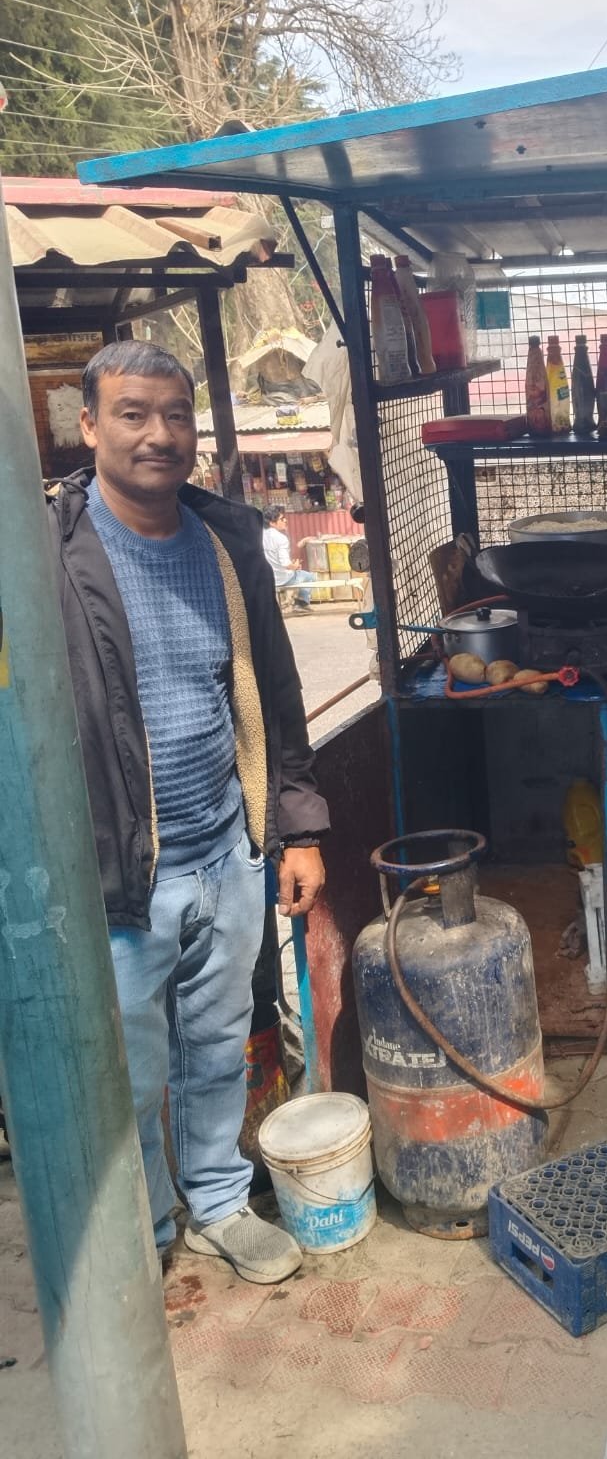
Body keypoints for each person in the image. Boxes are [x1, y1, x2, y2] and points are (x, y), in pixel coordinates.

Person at [48, 341, 330, 1283]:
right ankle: (146, 1227)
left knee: (216, 1045)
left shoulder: (225, 542)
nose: (159, 434)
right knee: (125, 1073)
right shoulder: (52, 553)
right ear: (89, 424)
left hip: (227, 850)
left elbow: (276, 696)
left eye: (176, 414)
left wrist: (295, 830)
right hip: (120, 875)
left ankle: (214, 1200)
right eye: (132, 413)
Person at [262, 503, 317, 612]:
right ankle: (301, 604)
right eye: (282, 519)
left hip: (267, 578)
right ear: (272, 523)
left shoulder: (260, 536)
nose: (285, 520)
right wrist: (295, 566)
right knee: (309, 577)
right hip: (283, 579)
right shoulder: (280, 538)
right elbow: (286, 564)